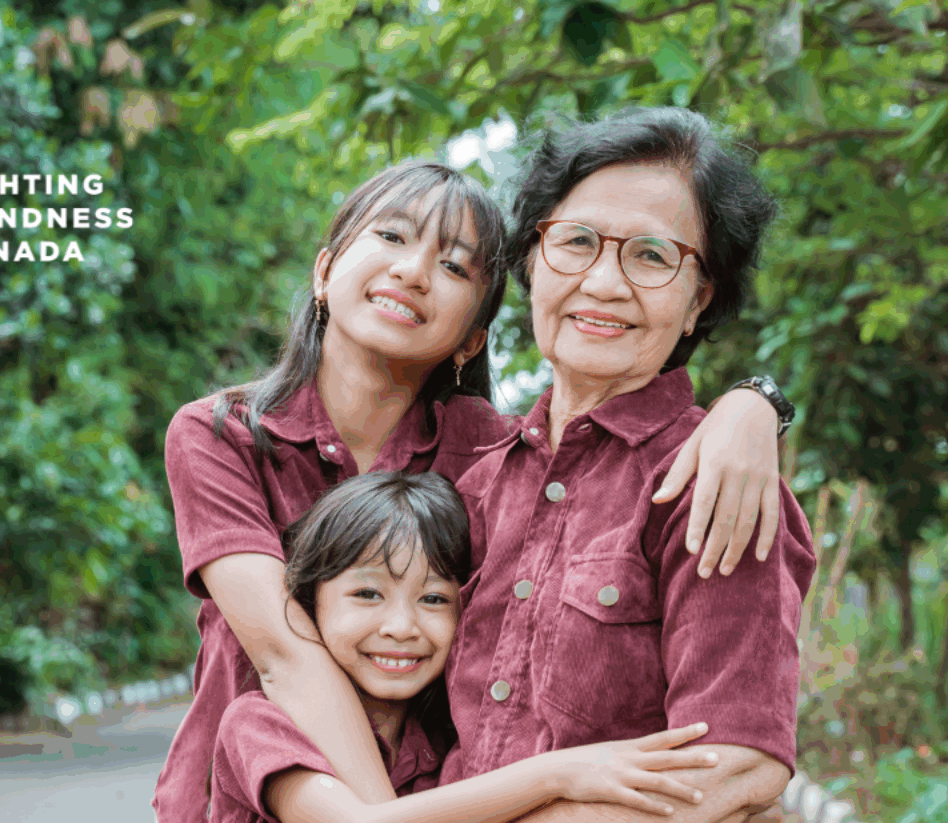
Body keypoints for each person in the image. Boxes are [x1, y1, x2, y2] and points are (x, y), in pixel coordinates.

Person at [157, 159, 794, 823]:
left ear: (473, 337)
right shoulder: (223, 434)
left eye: (456, 266)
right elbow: (287, 655)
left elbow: (735, 762)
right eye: (392, 236)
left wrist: (753, 405)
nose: (413, 272)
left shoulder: (493, 456)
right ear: (323, 271)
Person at [440, 107, 817, 823]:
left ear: (698, 299)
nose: (604, 283)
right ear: (532, 260)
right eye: (577, 241)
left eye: (650, 256)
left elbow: (732, 764)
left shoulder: (711, 483)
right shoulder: (476, 480)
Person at [211, 471, 719, 823]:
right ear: (311, 601)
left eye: (434, 598)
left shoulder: (451, 742)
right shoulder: (260, 724)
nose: (402, 627)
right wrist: (558, 774)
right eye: (367, 594)